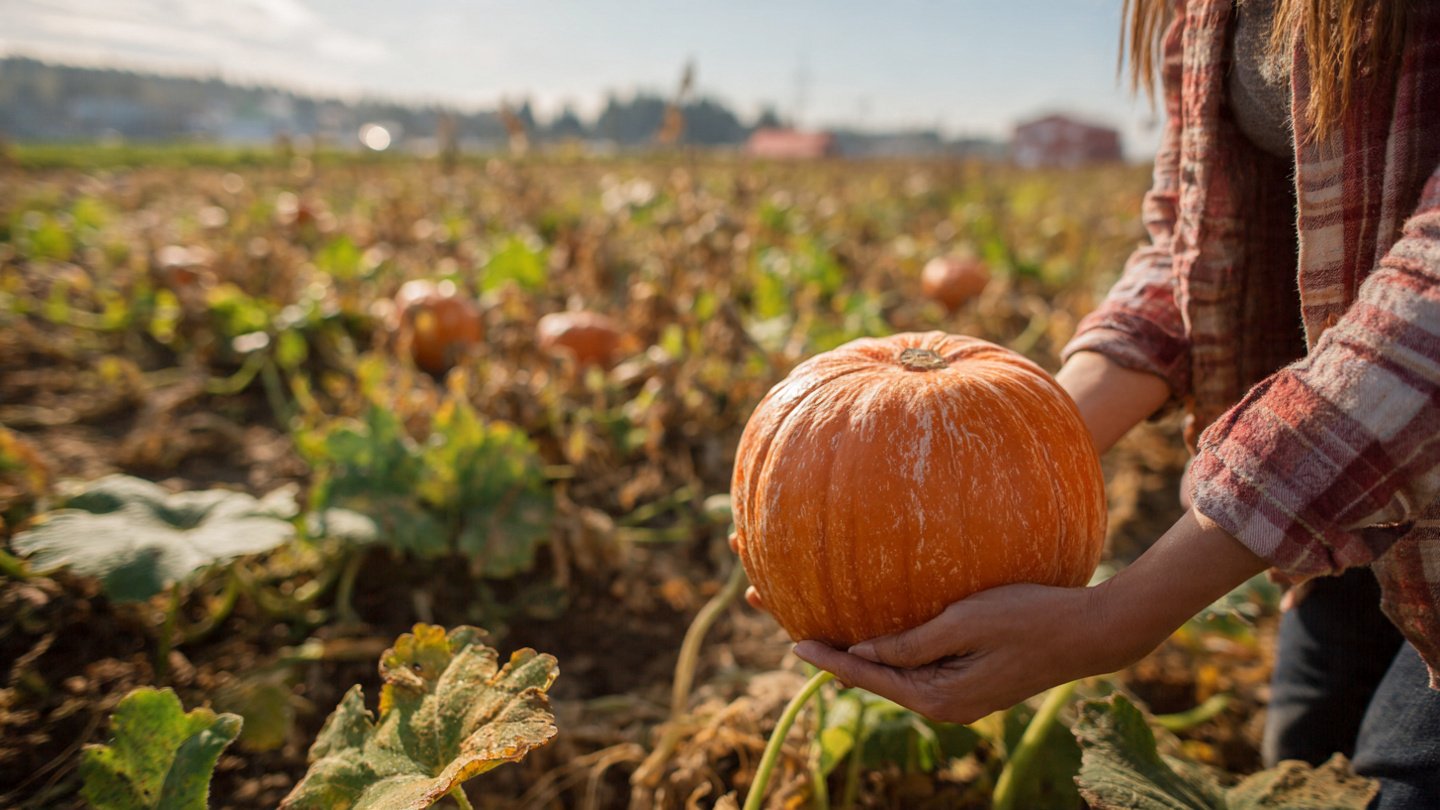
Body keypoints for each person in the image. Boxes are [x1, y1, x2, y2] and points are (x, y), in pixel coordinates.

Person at [746, 0, 1440, 805]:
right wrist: (978, 470)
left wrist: (1118, 617)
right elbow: (1191, 249)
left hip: (1386, 457)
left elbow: (1424, 318)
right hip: (1338, 498)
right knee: (1304, 750)